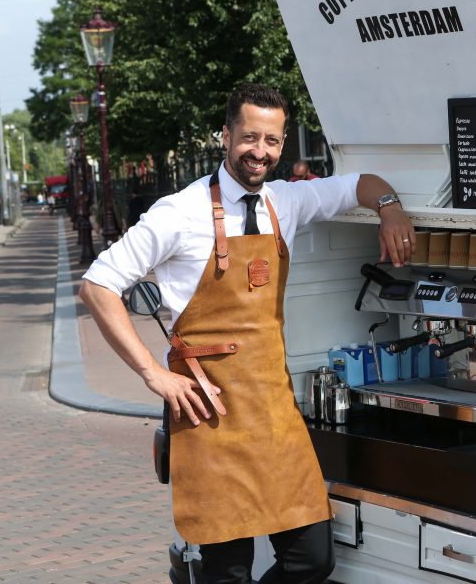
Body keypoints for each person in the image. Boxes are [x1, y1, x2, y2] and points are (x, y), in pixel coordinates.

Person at [79, 83, 414, 583]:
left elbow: (359, 184)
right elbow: (98, 285)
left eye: (273, 140)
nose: (260, 152)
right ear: (226, 134)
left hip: (275, 415)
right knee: (228, 574)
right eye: (250, 137)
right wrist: (153, 375)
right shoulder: (179, 212)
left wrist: (390, 207)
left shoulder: (287, 201)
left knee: (312, 559)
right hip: (210, 418)